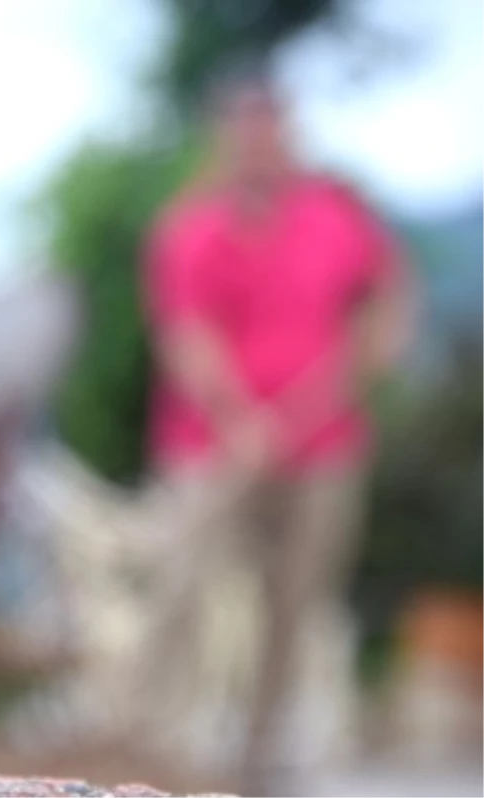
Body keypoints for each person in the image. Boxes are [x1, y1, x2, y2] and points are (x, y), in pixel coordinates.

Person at [132, 58, 415, 798]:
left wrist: (354, 371)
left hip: (324, 452)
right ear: (224, 133)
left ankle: (257, 768)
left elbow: (385, 301)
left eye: (271, 123)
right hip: (210, 449)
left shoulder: (337, 217)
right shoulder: (190, 228)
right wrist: (243, 421)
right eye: (244, 124)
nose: (259, 138)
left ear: (286, 129)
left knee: (294, 609)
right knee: (179, 584)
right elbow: (185, 334)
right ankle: (146, 750)